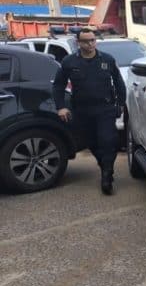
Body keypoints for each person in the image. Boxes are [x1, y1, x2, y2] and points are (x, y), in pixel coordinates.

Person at [53, 27, 126, 195]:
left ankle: (107, 175)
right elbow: (58, 85)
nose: (91, 44)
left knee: (108, 140)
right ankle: (104, 164)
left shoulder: (107, 60)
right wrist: (61, 107)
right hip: (82, 109)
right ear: (78, 43)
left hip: (105, 108)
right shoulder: (69, 62)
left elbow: (119, 83)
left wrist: (120, 104)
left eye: (93, 40)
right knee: (90, 142)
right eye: (86, 41)